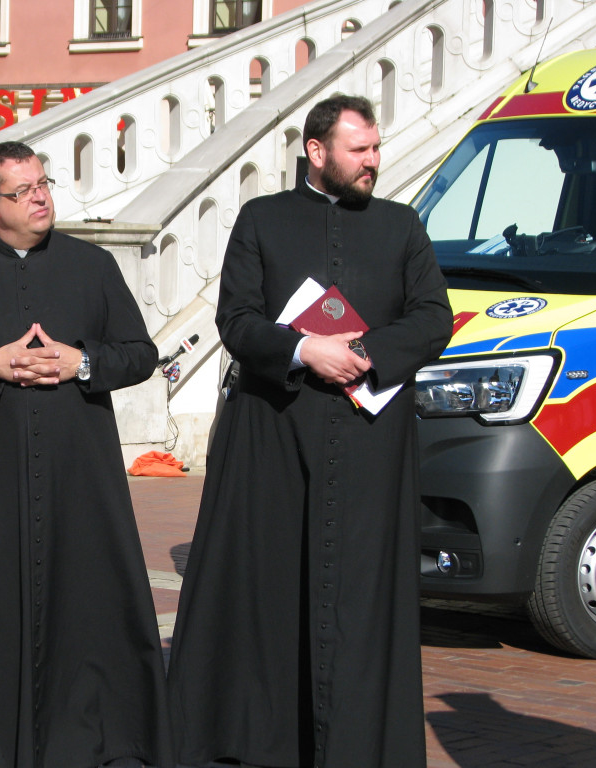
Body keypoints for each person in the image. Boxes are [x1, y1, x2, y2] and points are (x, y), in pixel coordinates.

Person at [166, 95, 453, 768]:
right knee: (270, 594)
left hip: (369, 447)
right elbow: (236, 321)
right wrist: (303, 350)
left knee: (360, 601)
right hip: (274, 438)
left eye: (376, 149)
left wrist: (365, 352)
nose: (373, 162)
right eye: (360, 151)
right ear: (316, 152)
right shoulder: (261, 220)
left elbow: (433, 318)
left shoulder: (401, 225)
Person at [0, 141, 172, 768]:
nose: (42, 196)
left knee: (89, 607)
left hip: (81, 479)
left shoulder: (93, 267)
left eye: (44, 183)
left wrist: (85, 362)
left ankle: (96, 741)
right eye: (24, 190)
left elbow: (140, 352)